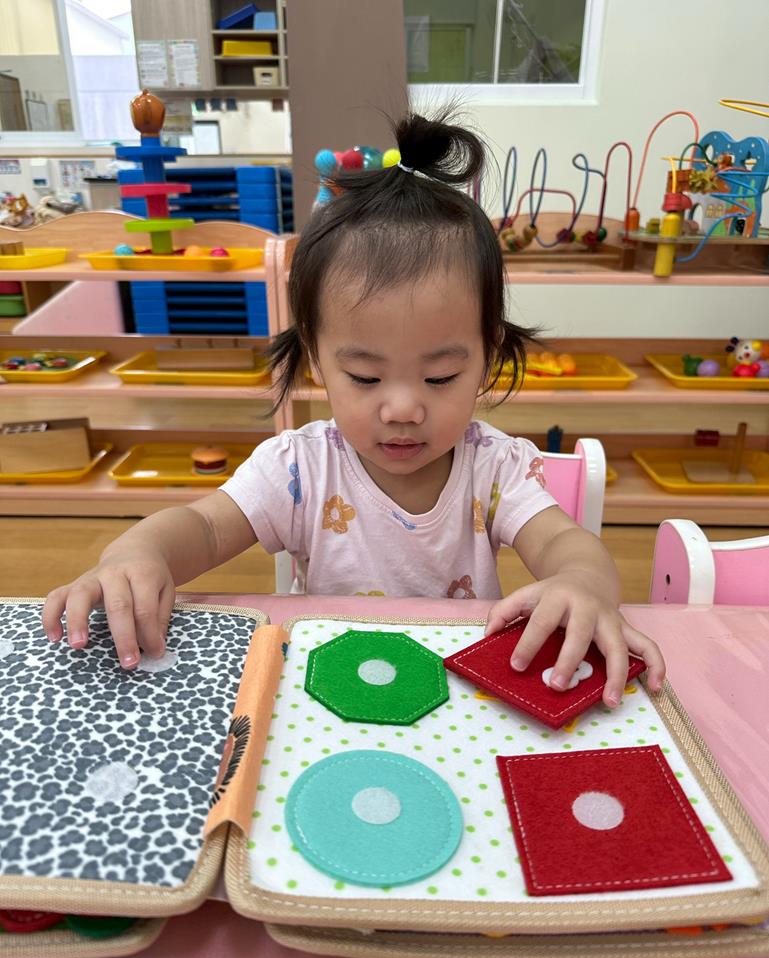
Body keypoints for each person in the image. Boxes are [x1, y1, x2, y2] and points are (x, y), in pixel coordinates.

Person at [43, 110, 665, 706]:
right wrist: (137, 554)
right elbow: (204, 528)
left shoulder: (494, 467)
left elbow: (564, 543)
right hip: (324, 689)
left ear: (488, 357)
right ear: (316, 358)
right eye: (365, 377)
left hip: (457, 694)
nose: (403, 408)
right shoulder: (298, 467)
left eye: (441, 377)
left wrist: (583, 583)